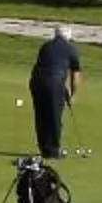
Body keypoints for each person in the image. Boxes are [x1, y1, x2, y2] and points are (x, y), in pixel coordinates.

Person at [27, 24, 82, 160]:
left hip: (36, 81)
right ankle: (53, 151)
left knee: (41, 115)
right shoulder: (71, 49)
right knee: (54, 116)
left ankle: (45, 149)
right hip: (54, 82)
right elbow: (75, 75)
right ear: (69, 36)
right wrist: (73, 96)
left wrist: (63, 89)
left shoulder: (46, 46)